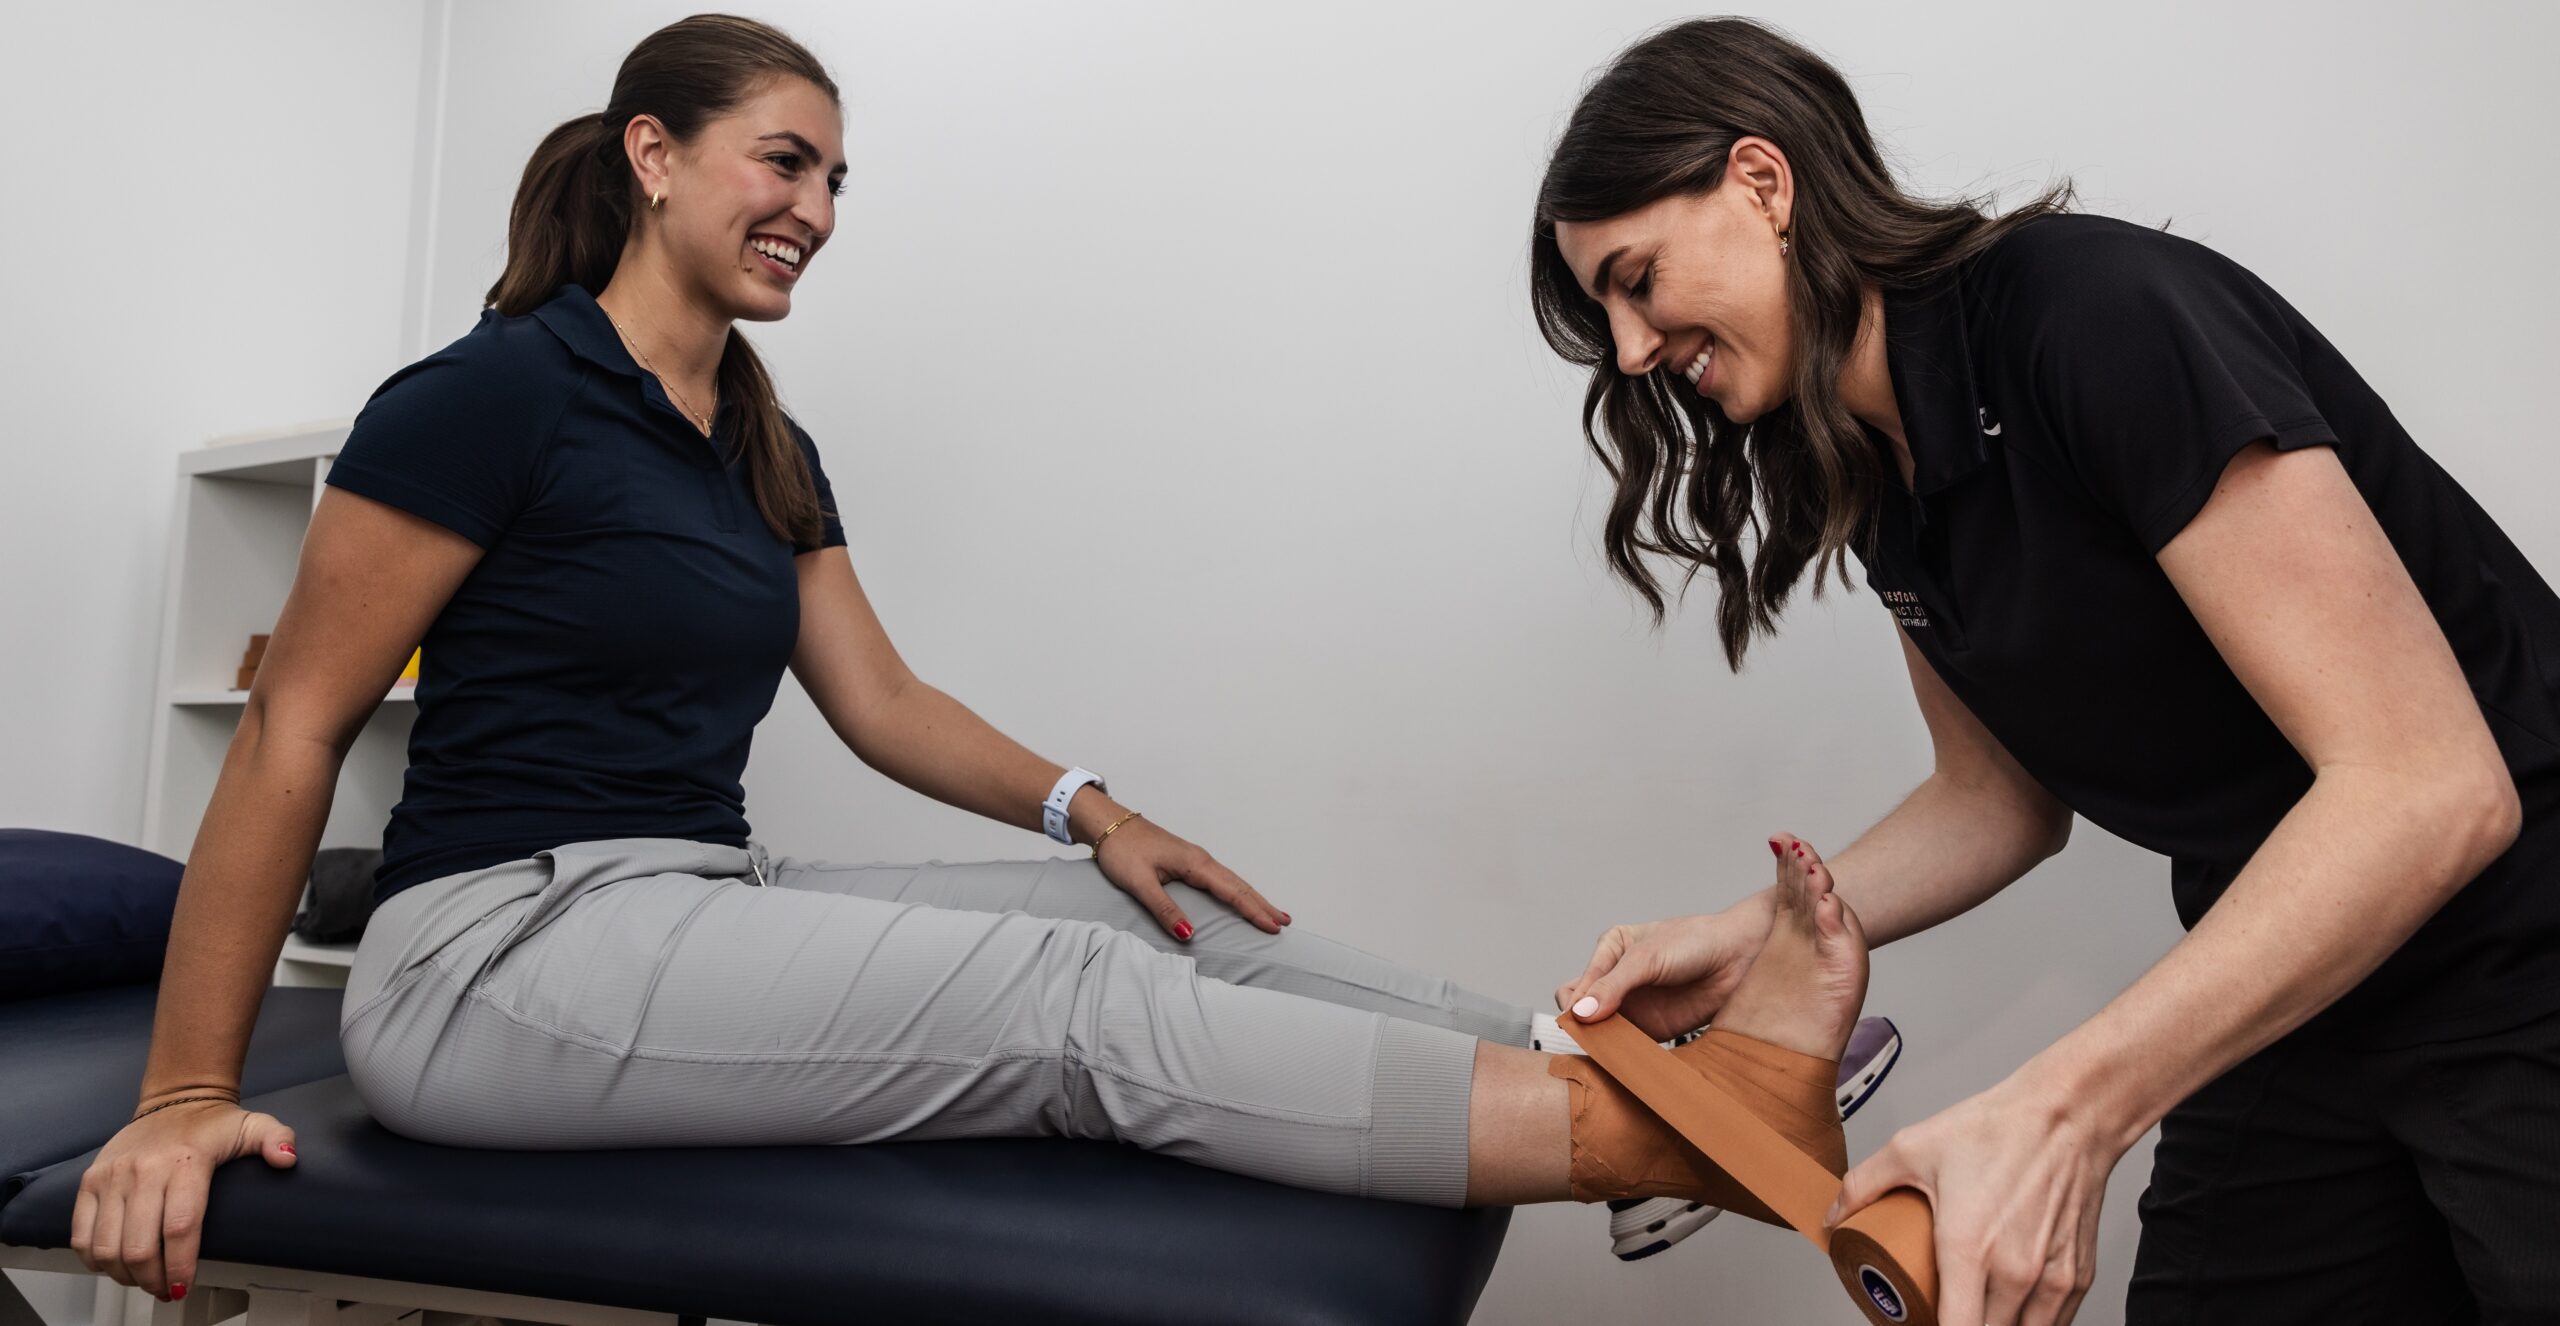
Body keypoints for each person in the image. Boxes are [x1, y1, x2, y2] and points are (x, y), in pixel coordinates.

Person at [69, 14, 1897, 1305]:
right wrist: (177, 1098)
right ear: (653, 156)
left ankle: (1647, 1068)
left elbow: (879, 701)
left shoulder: (753, 443)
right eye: (784, 162)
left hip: (688, 895)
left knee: (1149, 927)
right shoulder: (485, 398)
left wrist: (1094, 814)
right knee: (1057, 1014)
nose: (819, 209)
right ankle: (1650, 1140)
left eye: (841, 179)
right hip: (489, 955)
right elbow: (294, 728)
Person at [1537, 17, 2560, 1326]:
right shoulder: (1886, 465)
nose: (1630, 351)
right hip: (2311, 976)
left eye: (1636, 279)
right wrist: (1745, 938)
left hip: (2520, 941)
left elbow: (2431, 786)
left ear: (1761, 181)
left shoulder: (2093, 319)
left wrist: (2065, 1108)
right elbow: (1997, 799)